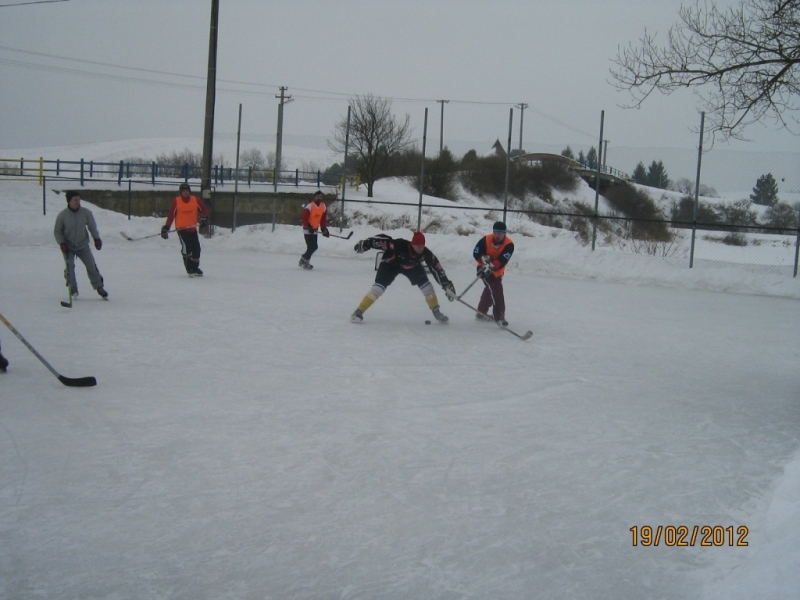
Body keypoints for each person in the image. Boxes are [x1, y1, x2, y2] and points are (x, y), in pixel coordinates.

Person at [351, 231, 456, 323]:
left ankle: (436, 311)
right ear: (412, 244)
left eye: (423, 245)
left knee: (427, 287)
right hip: (390, 265)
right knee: (378, 288)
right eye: (418, 245)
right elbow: (381, 240)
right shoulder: (399, 245)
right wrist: (365, 243)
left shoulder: (426, 253)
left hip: (412, 267)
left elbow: (437, 269)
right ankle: (359, 311)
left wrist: (446, 285)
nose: (421, 248)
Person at [54, 190, 108, 299]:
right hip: (68, 247)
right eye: (75, 200)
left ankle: (99, 286)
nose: (78, 202)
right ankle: (73, 287)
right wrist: (62, 243)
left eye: (79, 199)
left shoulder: (86, 213)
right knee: (70, 267)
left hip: (82, 245)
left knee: (91, 266)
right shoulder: (62, 216)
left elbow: (92, 226)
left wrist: (96, 238)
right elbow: (57, 231)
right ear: (69, 201)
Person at [161, 183, 210, 276]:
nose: (185, 192)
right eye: (183, 191)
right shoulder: (177, 201)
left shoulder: (195, 200)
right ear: (181, 192)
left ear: (189, 191)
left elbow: (204, 209)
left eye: (187, 190)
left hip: (192, 229)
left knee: (196, 249)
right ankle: (189, 268)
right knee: (187, 247)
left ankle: (195, 267)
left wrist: (204, 218)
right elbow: (171, 215)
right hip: (182, 229)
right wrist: (166, 227)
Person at [472, 221, 515, 326]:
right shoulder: (486, 239)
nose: (497, 235)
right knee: (496, 288)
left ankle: (481, 311)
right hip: (482, 269)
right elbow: (476, 252)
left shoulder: (509, 244)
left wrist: (491, 266)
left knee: (490, 289)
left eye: (500, 233)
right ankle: (500, 317)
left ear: (504, 233)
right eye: (495, 233)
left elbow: (503, 259)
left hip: (498, 272)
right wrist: (483, 259)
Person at [299, 190, 329, 269]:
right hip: (307, 229)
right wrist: (308, 226)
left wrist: (324, 229)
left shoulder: (323, 206)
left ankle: (304, 260)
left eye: (320, 197)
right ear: (314, 197)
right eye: (317, 196)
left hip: (315, 230)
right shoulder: (310, 206)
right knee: (311, 247)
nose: (319, 198)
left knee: (314, 247)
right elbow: (304, 218)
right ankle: (304, 260)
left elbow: (323, 219)